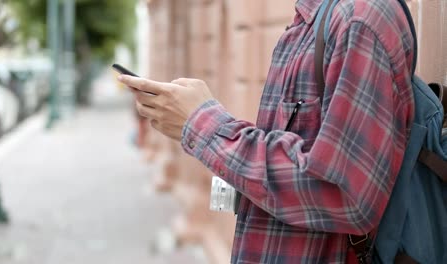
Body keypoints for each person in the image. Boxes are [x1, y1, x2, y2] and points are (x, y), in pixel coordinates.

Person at [118, 0, 415, 262]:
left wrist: (203, 125)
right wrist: (197, 123)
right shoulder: (315, 18)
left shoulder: (359, 18)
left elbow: (344, 192)